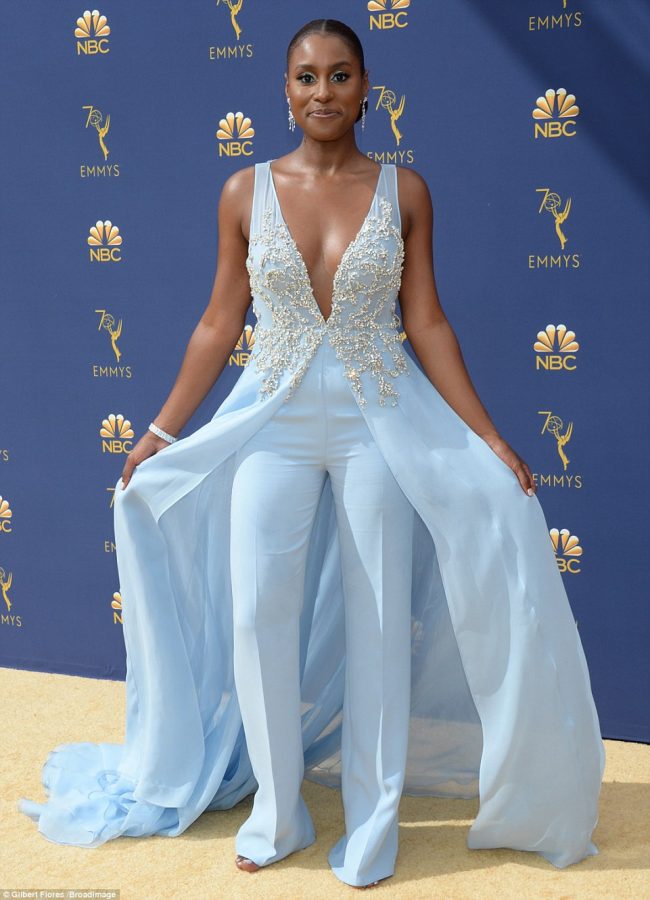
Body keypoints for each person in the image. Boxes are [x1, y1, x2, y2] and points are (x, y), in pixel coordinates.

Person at [17, 17, 605, 890]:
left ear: (367, 88)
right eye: (304, 77)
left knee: (376, 629)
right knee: (259, 615)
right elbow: (221, 323)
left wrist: (488, 435)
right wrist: (162, 432)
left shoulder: (406, 192)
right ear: (283, 89)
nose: (321, 93)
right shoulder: (242, 191)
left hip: (381, 424)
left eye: (338, 75)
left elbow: (427, 321)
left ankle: (372, 827)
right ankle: (279, 808)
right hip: (274, 423)